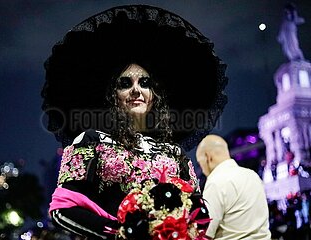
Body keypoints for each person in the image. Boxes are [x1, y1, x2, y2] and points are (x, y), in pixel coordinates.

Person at [41, 4, 228, 240]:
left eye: (145, 83)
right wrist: (121, 233)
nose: (136, 90)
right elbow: (63, 208)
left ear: (155, 95)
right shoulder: (92, 140)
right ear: (113, 95)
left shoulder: (174, 153)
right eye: (125, 83)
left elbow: (198, 211)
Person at [195, 134, 271, 240]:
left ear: (208, 157)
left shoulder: (215, 182)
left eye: (200, 163)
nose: (202, 170)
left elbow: (205, 231)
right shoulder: (252, 175)